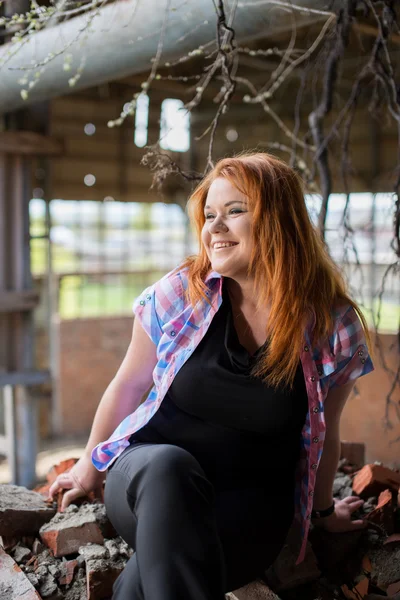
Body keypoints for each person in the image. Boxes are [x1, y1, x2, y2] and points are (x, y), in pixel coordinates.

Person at [49, 152, 374, 599]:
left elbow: (325, 432)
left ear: (279, 221)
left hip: (249, 510)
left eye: (235, 211)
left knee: (157, 570)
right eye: (209, 215)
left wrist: (320, 515)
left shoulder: (329, 325)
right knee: (170, 469)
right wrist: (88, 468)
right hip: (148, 479)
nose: (214, 228)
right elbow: (128, 383)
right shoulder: (181, 294)